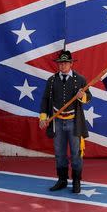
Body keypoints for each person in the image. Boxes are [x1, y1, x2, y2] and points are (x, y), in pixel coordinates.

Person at [39, 50, 92, 193]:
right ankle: (62, 180)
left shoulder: (80, 79)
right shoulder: (52, 80)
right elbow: (45, 100)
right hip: (57, 122)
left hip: (74, 122)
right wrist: (43, 117)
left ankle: (76, 181)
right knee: (59, 153)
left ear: (71, 63)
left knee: (76, 152)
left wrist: (82, 96)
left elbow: (89, 97)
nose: (62, 66)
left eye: (65, 63)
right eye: (60, 63)